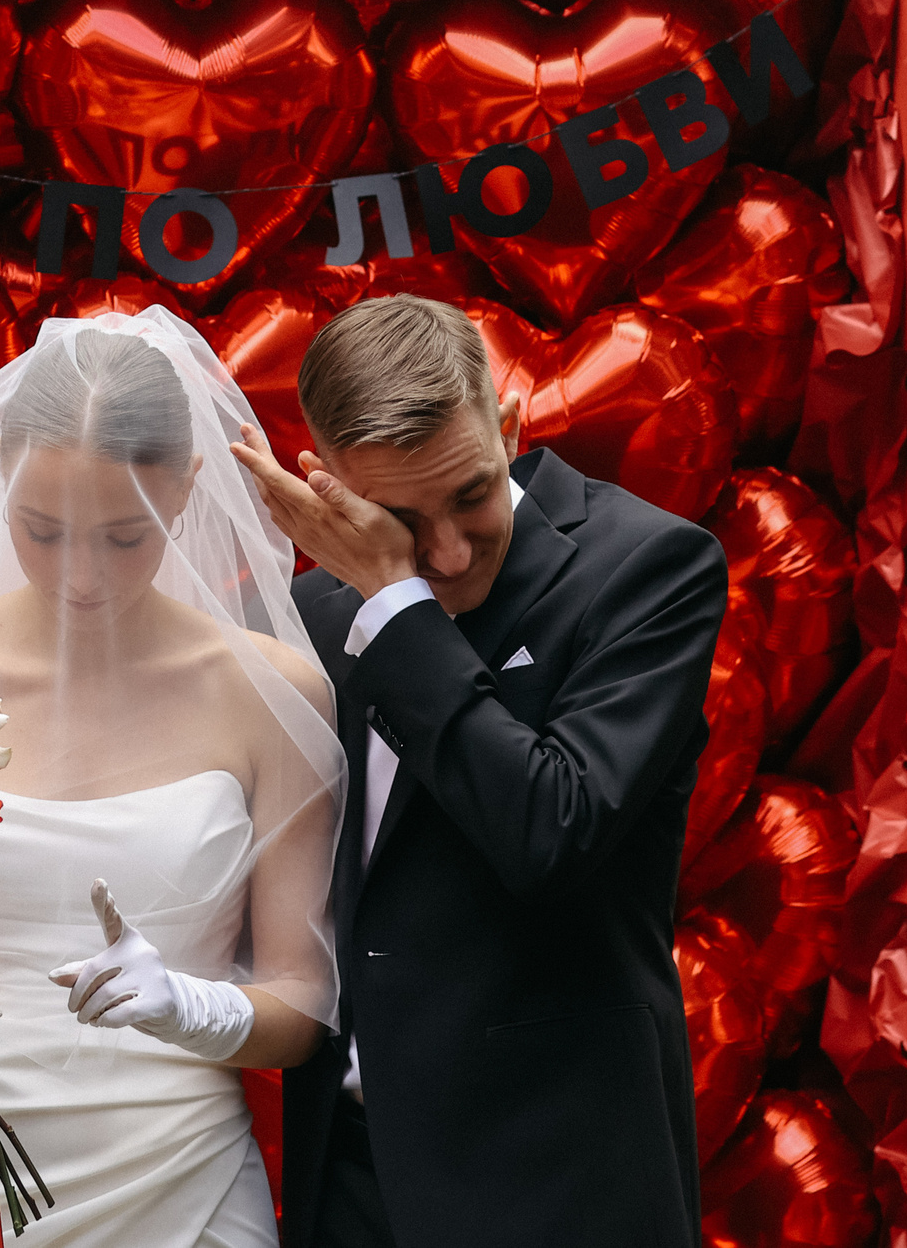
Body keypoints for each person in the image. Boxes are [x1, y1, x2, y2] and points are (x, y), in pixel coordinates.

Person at [0, 311, 345, 1248]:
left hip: (179, 1178)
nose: (81, 577)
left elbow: (303, 997)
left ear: (187, 490)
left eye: (125, 538)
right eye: (43, 530)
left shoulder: (273, 693)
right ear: (1, 473)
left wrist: (192, 1007)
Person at [229, 294, 730, 1248]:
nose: (450, 553)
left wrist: (398, 601)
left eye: (472, 492)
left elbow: (551, 828)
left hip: (558, 1179)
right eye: (404, 521)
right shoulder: (308, 618)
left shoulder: (648, 570)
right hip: (350, 1183)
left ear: (506, 422)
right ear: (329, 482)